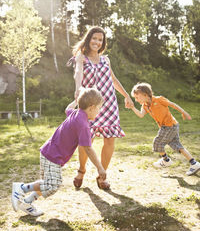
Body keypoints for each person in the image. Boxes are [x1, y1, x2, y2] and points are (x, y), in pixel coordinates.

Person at [11, 88, 106, 216]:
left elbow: (67, 108)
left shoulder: (76, 113)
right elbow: (88, 148)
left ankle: (27, 202)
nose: (99, 111)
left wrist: (76, 100)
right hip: (52, 156)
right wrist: (100, 168)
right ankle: (21, 188)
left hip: (49, 152)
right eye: (99, 108)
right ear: (91, 107)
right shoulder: (83, 124)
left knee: (48, 183)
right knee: (53, 185)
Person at [69, 26, 133, 190]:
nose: (97, 42)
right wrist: (77, 89)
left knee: (109, 139)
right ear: (88, 39)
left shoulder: (106, 59)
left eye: (100, 39)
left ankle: (101, 175)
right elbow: (78, 73)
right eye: (94, 38)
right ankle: (81, 171)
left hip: (109, 103)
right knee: (86, 140)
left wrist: (126, 95)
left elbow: (113, 78)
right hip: (89, 105)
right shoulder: (81, 57)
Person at [130, 82, 200, 176]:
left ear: (145, 95)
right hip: (170, 126)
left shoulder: (159, 99)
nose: (136, 100)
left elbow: (173, 104)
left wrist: (184, 112)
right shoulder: (145, 106)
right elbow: (141, 115)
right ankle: (194, 164)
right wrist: (132, 107)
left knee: (157, 142)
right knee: (177, 145)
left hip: (170, 126)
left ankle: (166, 160)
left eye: (137, 97)